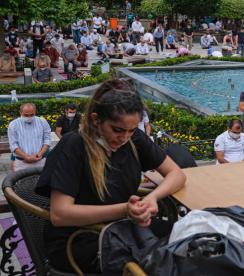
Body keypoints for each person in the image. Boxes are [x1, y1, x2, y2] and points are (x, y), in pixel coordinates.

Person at [35, 80, 185, 273]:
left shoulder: (134, 139)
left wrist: (151, 198)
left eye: (131, 130)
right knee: (162, 262)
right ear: (96, 120)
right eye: (117, 130)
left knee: (186, 240)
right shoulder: (74, 145)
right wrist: (125, 210)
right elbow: (60, 214)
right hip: (78, 240)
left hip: (120, 228)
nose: (124, 138)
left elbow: (176, 174)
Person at [8, 103, 51, 171]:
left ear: (35, 112)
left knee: (41, 181)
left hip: (40, 161)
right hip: (21, 162)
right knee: (21, 181)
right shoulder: (13, 124)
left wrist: (40, 154)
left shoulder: (42, 122)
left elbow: (47, 140)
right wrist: (26, 157)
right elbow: (13, 145)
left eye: (32, 114)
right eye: (26, 115)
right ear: (20, 112)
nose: (29, 117)